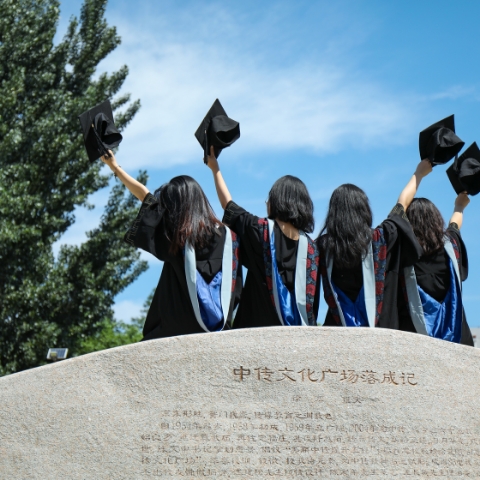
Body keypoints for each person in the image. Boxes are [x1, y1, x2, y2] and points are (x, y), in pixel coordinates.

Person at [100, 150, 242, 340]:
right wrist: (215, 168)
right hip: (221, 325)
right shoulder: (229, 237)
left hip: (174, 327)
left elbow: (145, 197)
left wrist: (114, 167)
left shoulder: (176, 236)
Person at [206, 147, 319, 328]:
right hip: (296, 335)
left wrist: (215, 168)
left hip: (254, 329)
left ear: (276, 201)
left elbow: (228, 205)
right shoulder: (312, 250)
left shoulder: (259, 230)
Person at [316, 160, 431, 329]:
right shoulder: (382, 238)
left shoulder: (323, 247)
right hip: (381, 329)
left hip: (337, 329)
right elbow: (401, 206)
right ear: (364, 210)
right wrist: (418, 174)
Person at [399, 194, 473, 345]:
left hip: (414, 337)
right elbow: (454, 225)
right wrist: (459, 206)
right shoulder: (451, 247)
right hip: (458, 337)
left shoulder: (405, 254)